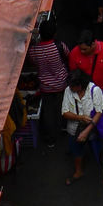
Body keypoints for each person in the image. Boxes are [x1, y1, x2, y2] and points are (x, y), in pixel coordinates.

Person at [25, 13, 69, 147]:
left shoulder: (34, 51)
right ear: (54, 34)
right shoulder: (59, 46)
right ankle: (63, 126)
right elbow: (68, 55)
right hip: (61, 83)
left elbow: (33, 63)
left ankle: (51, 139)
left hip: (46, 86)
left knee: (48, 112)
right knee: (63, 106)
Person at [61, 68, 103, 185]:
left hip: (93, 127)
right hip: (74, 128)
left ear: (81, 85)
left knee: (97, 148)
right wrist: (80, 118)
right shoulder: (68, 90)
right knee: (76, 150)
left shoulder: (94, 90)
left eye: (74, 87)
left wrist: (87, 130)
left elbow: (99, 112)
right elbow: (65, 112)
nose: (71, 89)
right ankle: (78, 171)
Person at [68, 29, 103, 99]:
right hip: (86, 97)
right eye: (80, 48)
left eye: (84, 49)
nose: (81, 51)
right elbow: (73, 75)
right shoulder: (74, 53)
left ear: (93, 44)